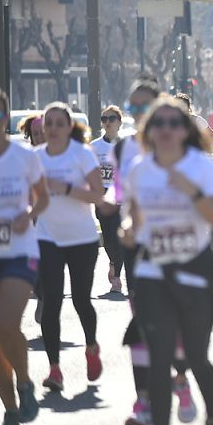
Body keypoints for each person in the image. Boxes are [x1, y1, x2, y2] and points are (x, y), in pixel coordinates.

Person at [121, 97, 213, 425]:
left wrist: (191, 191)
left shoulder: (200, 166)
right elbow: (134, 219)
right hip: (152, 274)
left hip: (194, 273)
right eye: (158, 124)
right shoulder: (139, 170)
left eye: (173, 123)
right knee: (160, 356)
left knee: (197, 358)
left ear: (185, 131)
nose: (165, 130)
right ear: (149, 131)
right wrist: (129, 231)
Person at [0, 86, 47, 425]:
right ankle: (11, 410)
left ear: (6, 117)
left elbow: (42, 198)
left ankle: (25, 384)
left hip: (19, 250)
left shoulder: (23, 157)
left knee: (7, 324)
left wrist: (29, 212)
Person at [35, 102, 105, 392]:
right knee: (51, 302)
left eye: (58, 123)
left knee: (80, 300)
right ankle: (55, 369)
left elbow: (98, 195)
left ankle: (91, 347)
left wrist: (64, 188)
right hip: (47, 238)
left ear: (69, 127)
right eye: (48, 123)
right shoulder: (35, 157)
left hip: (81, 239)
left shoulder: (81, 154)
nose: (52, 128)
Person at [93, 105, 125, 294]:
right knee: (109, 239)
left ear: (119, 122)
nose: (107, 122)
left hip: (122, 197)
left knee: (119, 237)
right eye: (104, 119)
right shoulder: (95, 146)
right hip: (102, 197)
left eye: (111, 118)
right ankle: (113, 261)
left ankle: (117, 277)